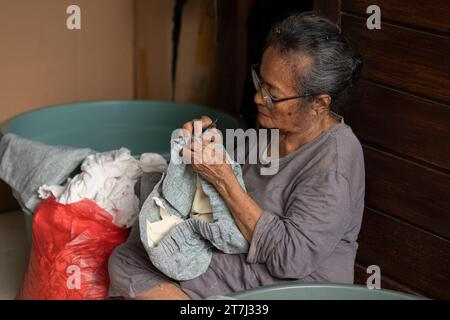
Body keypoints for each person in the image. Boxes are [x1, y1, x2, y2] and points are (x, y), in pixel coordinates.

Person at [108, 12, 365, 300]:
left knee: (138, 266)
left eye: (273, 95)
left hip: (290, 282)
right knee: (129, 258)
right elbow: (232, 170)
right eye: (260, 81)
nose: (258, 98)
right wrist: (207, 141)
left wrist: (223, 178)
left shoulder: (334, 164)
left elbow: (291, 259)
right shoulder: (277, 125)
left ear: (318, 104)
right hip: (244, 256)